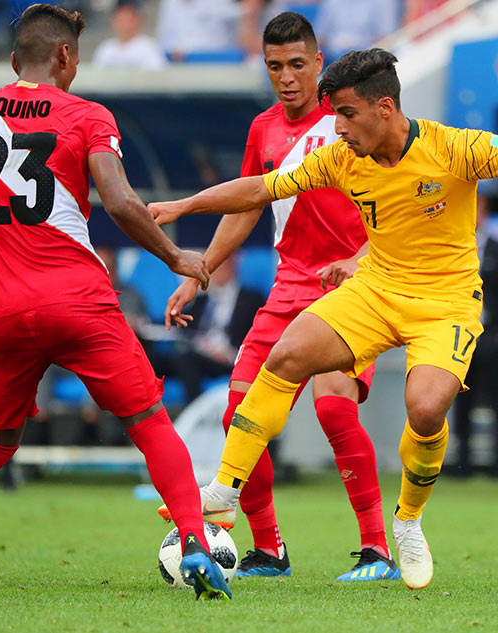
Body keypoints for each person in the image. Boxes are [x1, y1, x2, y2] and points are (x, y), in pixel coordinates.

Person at [150, 47, 498, 589]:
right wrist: (182, 206)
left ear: (385, 107)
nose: (338, 128)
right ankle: (225, 490)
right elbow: (259, 188)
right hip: (375, 289)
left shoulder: (455, 147)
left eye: (347, 114)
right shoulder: (339, 156)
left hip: (446, 303)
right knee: (287, 354)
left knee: (424, 409)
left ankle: (407, 521)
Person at [0, 4, 230, 600]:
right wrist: (175, 257)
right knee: (149, 423)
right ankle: (195, 544)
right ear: (66, 57)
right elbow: (118, 201)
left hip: (5, 312)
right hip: (78, 301)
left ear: (15, 60)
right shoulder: (87, 115)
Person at [157, 12, 400, 582]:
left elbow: (395, 207)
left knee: (334, 407)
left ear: (319, 63)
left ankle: (377, 551)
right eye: (274, 66)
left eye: (297, 64)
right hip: (289, 287)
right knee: (239, 416)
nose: (287, 77)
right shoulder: (263, 129)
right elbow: (247, 206)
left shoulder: (351, 122)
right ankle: (269, 550)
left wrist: (362, 260)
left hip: (354, 287)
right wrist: (199, 272)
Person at [451, 190, 498, 477]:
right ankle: (461, 462)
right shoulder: (450, 248)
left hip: (492, 335)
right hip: (458, 335)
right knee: (459, 400)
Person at [165, 256, 264, 402]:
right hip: (201, 353)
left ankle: (195, 411)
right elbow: (181, 326)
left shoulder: (251, 299)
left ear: (233, 266)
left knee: (186, 360)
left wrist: (231, 354)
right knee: (155, 361)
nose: (215, 273)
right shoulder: (201, 301)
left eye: (220, 267)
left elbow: (259, 333)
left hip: (230, 357)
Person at [92, 0, 166, 69]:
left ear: (138, 20)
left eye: (128, 19)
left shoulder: (150, 47)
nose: (124, 24)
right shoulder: (105, 49)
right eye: (120, 19)